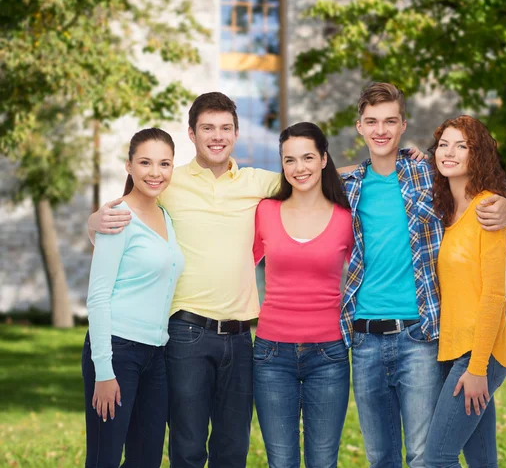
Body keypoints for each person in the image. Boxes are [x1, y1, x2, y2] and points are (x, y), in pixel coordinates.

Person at [87, 91, 424, 468]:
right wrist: (93, 222)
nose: (217, 136)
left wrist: (393, 159)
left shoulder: (257, 184)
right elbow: (130, 208)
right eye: (207, 128)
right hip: (186, 332)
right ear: (191, 134)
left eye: (226, 128)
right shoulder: (168, 180)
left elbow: (308, 175)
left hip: (241, 337)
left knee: (233, 450)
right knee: (188, 446)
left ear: (236, 133)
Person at [336, 83, 506, 468]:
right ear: (359, 127)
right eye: (371, 121)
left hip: (421, 336)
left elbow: (490, 195)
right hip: (365, 337)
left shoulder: (426, 174)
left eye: (390, 120)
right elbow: (300, 173)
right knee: (381, 458)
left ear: (404, 125)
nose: (381, 130)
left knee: (429, 456)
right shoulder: (349, 186)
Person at [252, 122, 354, 468]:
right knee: (281, 462)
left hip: (328, 354)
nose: (300, 168)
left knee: (323, 462)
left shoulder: (345, 217)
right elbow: (236, 264)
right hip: (270, 355)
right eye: (290, 160)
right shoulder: (264, 211)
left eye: (308, 157)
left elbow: (362, 278)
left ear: (324, 159)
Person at [82, 128, 184, 468]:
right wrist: (104, 370)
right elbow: (97, 297)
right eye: (145, 162)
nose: (155, 172)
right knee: (105, 459)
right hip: (117, 352)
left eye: (164, 164)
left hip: (156, 355)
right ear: (129, 166)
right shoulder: (118, 216)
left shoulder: (166, 216)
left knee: (146, 459)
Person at [423, 116, 506, 468]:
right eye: (444, 144)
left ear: (479, 155)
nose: (449, 152)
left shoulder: (489, 208)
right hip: (452, 350)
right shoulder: (446, 211)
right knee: (481, 460)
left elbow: (494, 296)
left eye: (462, 145)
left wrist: (477, 368)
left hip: (479, 355)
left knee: (438, 457)